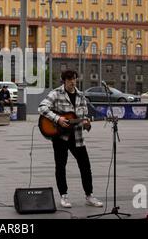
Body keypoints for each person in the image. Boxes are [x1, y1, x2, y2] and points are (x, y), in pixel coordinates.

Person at [38, 70, 103, 208]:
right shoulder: (56, 93)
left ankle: (89, 195)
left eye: (74, 79)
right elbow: (42, 107)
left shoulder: (81, 95)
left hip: (77, 137)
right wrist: (58, 119)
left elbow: (84, 116)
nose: (72, 82)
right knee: (61, 166)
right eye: (69, 80)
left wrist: (87, 124)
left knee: (85, 166)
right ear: (64, 81)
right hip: (60, 136)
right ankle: (64, 196)